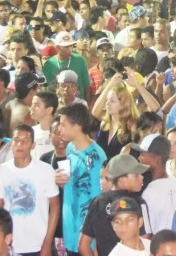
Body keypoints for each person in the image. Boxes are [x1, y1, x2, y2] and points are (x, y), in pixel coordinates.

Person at [0, 125, 59, 256]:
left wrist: (47, 243)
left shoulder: (46, 171)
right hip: (10, 244)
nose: (20, 144)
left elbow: (55, 207)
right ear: (11, 143)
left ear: (33, 145)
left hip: (38, 243)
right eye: (16, 140)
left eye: (25, 140)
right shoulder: (1, 171)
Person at [81, 154, 150, 256]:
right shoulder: (139, 203)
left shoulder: (97, 202)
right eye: (136, 175)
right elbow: (146, 240)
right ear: (122, 179)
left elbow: (83, 245)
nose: (141, 177)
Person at [60, 104, 106, 256]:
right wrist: (60, 181)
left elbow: (99, 199)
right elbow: (72, 184)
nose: (59, 129)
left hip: (86, 236)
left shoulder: (95, 157)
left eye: (63, 125)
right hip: (70, 229)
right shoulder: (70, 148)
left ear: (77, 127)